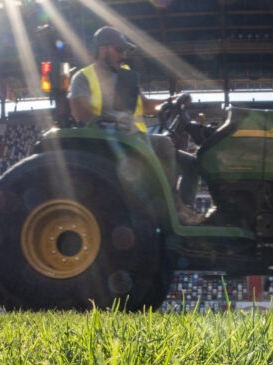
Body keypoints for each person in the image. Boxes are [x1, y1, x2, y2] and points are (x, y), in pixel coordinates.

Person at [68, 27, 203, 223]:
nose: (123, 56)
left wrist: (171, 101)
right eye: (119, 50)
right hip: (110, 141)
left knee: (191, 163)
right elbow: (79, 113)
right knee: (164, 143)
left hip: (135, 138)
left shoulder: (127, 77)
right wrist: (113, 118)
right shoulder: (83, 78)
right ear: (103, 49)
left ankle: (185, 209)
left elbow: (146, 106)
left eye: (125, 51)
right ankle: (173, 209)